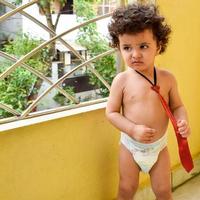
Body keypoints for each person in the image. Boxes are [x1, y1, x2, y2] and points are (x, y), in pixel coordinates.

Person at [106, 3, 191, 200]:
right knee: (127, 188)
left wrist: (183, 121)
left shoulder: (168, 78)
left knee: (163, 191)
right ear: (118, 47)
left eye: (143, 46)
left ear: (158, 46)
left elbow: (177, 106)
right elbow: (111, 113)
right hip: (130, 146)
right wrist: (133, 130)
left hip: (158, 148)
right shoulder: (122, 81)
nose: (135, 54)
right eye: (127, 47)